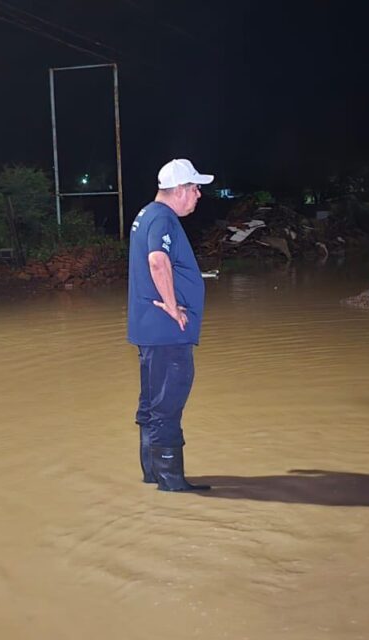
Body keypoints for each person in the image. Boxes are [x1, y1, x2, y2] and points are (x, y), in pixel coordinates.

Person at [128, 159, 214, 492]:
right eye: (195, 188)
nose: (198, 195)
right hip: (166, 332)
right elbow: (157, 260)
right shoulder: (163, 218)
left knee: (152, 402)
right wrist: (176, 308)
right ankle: (171, 481)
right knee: (169, 401)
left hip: (150, 330)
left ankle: (152, 473)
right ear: (178, 190)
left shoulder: (146, 214)